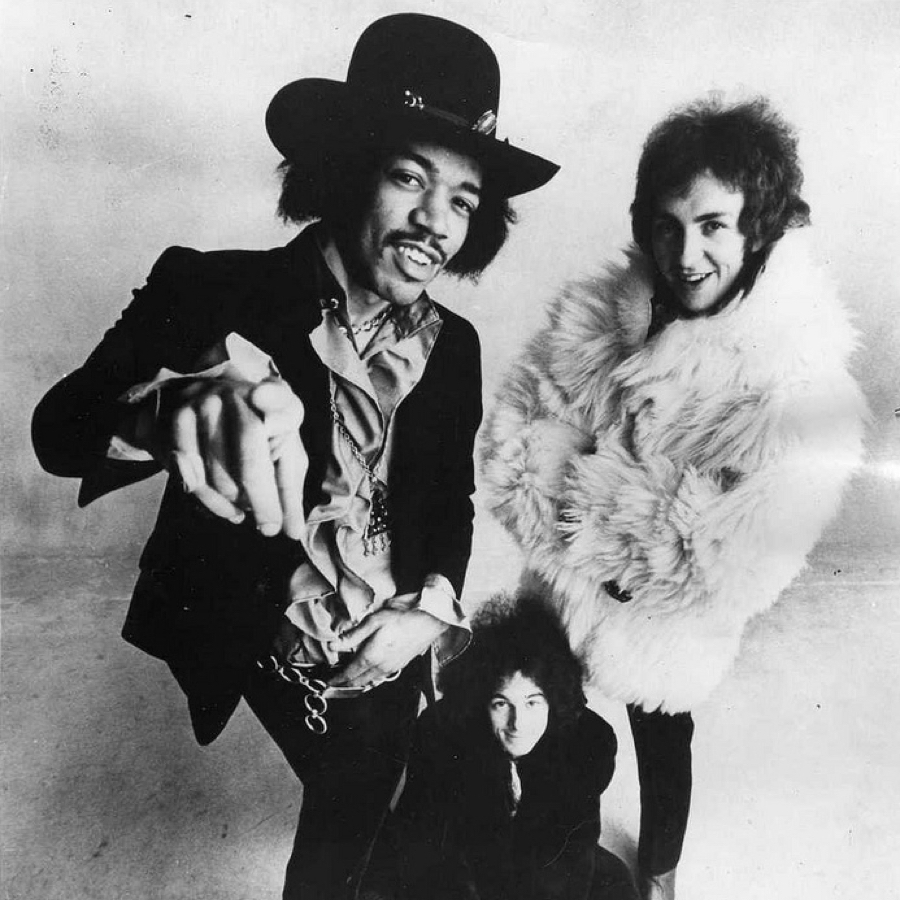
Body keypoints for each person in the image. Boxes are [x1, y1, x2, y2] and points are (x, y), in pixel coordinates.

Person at [31, 14, 558, 900]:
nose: (436, 222)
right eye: (409, 177)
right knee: (363, 810)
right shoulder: (210, 287)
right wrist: (162, 410)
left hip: (393, 626)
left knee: (420, 812)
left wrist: (431, 611)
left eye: (464, 200)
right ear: (348, 169)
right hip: (261, 623)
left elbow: (448, 501)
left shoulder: (456, 346)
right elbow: (57, 433)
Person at [480, 96, 867, 899]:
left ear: (759, 227)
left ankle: (660, 870)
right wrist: (624, 510)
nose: (686, 255)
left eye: (713, 225)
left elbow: (726, 562)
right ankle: (559, 855)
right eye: (667, 226)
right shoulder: (603, 311)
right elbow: (515, 435)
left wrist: (581, 491)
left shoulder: (802, 379)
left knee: (663, 745)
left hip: (667, 629)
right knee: (548, 724)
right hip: (562, 591)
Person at [362, 594, 638, 900]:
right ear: (481, 700)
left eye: (532, 702)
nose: (517, 723)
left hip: (543, 869)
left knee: (617, 884)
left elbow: (570, 855)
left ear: (553, 698)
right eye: (501, 703)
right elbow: (426, 848)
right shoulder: (438, 733)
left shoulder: (588, 741)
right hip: (466, 866)